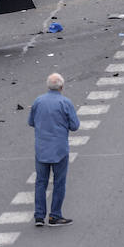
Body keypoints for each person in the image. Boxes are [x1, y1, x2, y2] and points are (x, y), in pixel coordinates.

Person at [29, 72, 80, 227]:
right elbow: (75, 126)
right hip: (59, 150)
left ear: (47, 86)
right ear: (62, 87)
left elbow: (31, 122)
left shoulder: (38, 101)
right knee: (59, 183)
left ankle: (39, 216)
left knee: (40, 182)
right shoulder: (65, 103)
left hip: (41, 149)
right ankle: (55, 216)